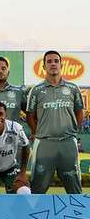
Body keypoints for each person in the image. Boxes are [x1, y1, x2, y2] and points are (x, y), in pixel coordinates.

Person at [26, 50, 85, 194]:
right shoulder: (37, 90)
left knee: (74, 188)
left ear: (61, 65)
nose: (53, 64)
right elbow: (30, 115)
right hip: (44, 143)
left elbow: (79, 112)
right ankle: (32, 216)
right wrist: (37, 132)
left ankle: (77, 216)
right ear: (44, 66)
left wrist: (73, 130)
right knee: (38, 187)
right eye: (49, 61)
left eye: (56, 61)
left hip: (68, 143)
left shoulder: (73, 89)